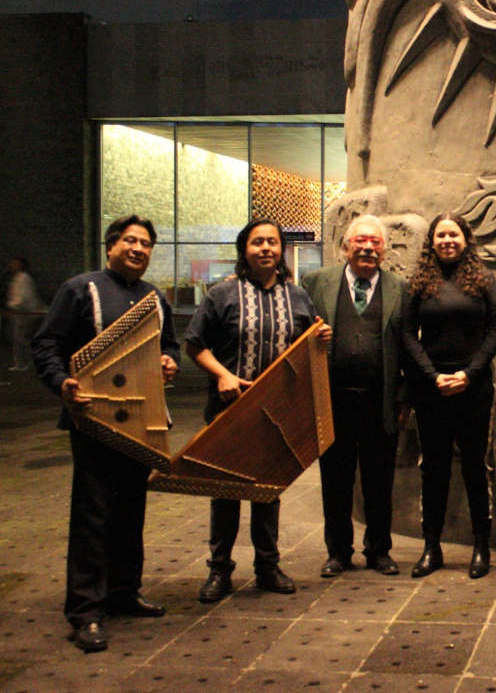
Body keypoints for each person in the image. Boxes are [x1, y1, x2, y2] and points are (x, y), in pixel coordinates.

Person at [31, 215, 179, 653]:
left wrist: (169, 361)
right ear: (111, 246)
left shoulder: (154, 297)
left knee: (131, 512)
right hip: (93, 420)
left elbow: (168, 344)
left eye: (146, 244)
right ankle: (85, 612)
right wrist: (61, 383)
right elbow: (46, 344)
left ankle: (123, 593)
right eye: (130, 241)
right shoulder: (81, 289)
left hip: (140, 419)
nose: (138, 249)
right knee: (93, 514)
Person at [186, 218, 331, 602]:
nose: (265, 249)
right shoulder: (222, 294)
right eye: (257, 243)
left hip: (275, 413)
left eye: (272, 242)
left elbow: (308, 346)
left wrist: (322, 339)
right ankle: (220, 571)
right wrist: (222, 375)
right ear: (244, 249)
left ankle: (268, 566)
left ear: (281, 250)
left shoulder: (298, 296)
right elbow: (194, 344)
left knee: (268, 492)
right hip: (229, 411)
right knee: (225, 492)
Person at [302, 213, 409, 578]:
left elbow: (409, 347)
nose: (367, 247)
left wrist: (403, 400)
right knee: (336, 479)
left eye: (375, 242)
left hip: (380, 404)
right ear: (345, 246)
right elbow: (297, 337)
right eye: (360, 241)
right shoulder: (315, 283)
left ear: (384, 249)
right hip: (333, 402)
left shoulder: (400, 288)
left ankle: (379, 550)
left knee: (380, 481)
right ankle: (338, 552)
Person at [402, 213, 496, 579]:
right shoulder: (420, 281)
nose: (447, 240)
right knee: (434, 469)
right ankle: (432, 548)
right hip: (431, 391)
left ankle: (481, 547)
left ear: (465, 239)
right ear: (432, 241)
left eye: (453, 234)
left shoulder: (483, 279)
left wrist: (468, 373)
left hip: (473, 388)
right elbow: (407, 334)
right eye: (441, 235)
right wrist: (432, 376)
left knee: (476, 468)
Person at [7, 257, 44, 371]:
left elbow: (22, 298)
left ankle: (27, 363)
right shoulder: (18, 278)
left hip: (24, 313)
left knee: (21, 339)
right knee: (19, 339)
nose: (12, 265)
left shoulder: (24, 279)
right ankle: (21, 363)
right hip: (19, 312)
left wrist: (12, 305)